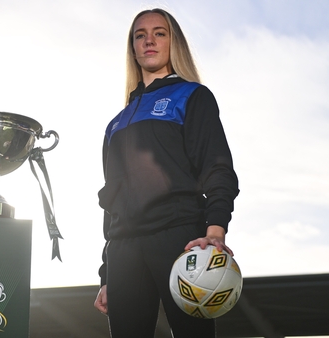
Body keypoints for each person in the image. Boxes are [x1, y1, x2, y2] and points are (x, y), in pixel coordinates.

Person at [93, 8, 239, 338]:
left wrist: (215, 231)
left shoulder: (192, 96)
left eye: (159, 33)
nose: (149, 40)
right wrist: (106, 275)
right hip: (124, 250)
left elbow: (216, 166)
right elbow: (111, 201)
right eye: (140, 35)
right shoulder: (116, 123)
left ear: (174, 43)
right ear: (132, 47)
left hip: (180, 237)